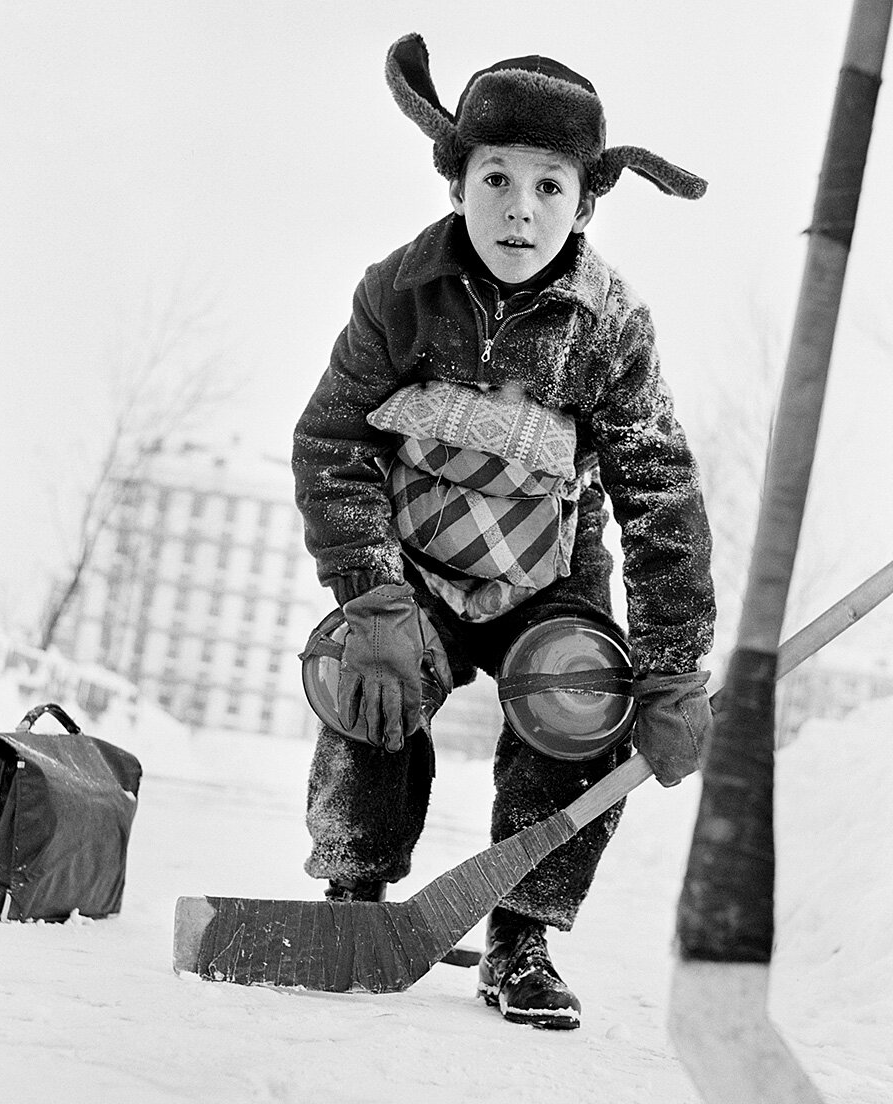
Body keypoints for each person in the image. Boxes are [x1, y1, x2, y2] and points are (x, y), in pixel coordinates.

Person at [291, 33, 716, 1029]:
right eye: (496, 178)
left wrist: (670, 668)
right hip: (420, 573)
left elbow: (660, 497)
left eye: (548, 187)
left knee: (582, 704)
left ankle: (521, 936)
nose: (519, 207)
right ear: (457, 182)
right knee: (363, 676)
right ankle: (354, 894)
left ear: (583, 201)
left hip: (548, 579)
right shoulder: (397, 293)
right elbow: (331, 440)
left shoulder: (610, 326)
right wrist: (372, 593)